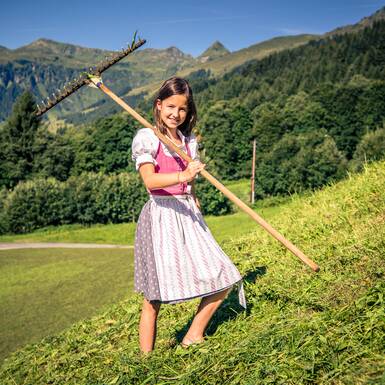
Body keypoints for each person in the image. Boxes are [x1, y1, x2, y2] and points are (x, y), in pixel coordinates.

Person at [131, 76, 246, 354]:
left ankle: (193, 334)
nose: (176, 114)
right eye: (170, 106)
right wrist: (184, 174)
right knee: (153, 297)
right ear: (158, 105)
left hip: (188, 215)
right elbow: (150, 181)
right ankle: (144, 361)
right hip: (160, 216)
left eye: (182, 109)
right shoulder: (147, 137)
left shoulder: (187, 141)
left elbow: (189, 185)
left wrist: (193, 194)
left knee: (225, 275)